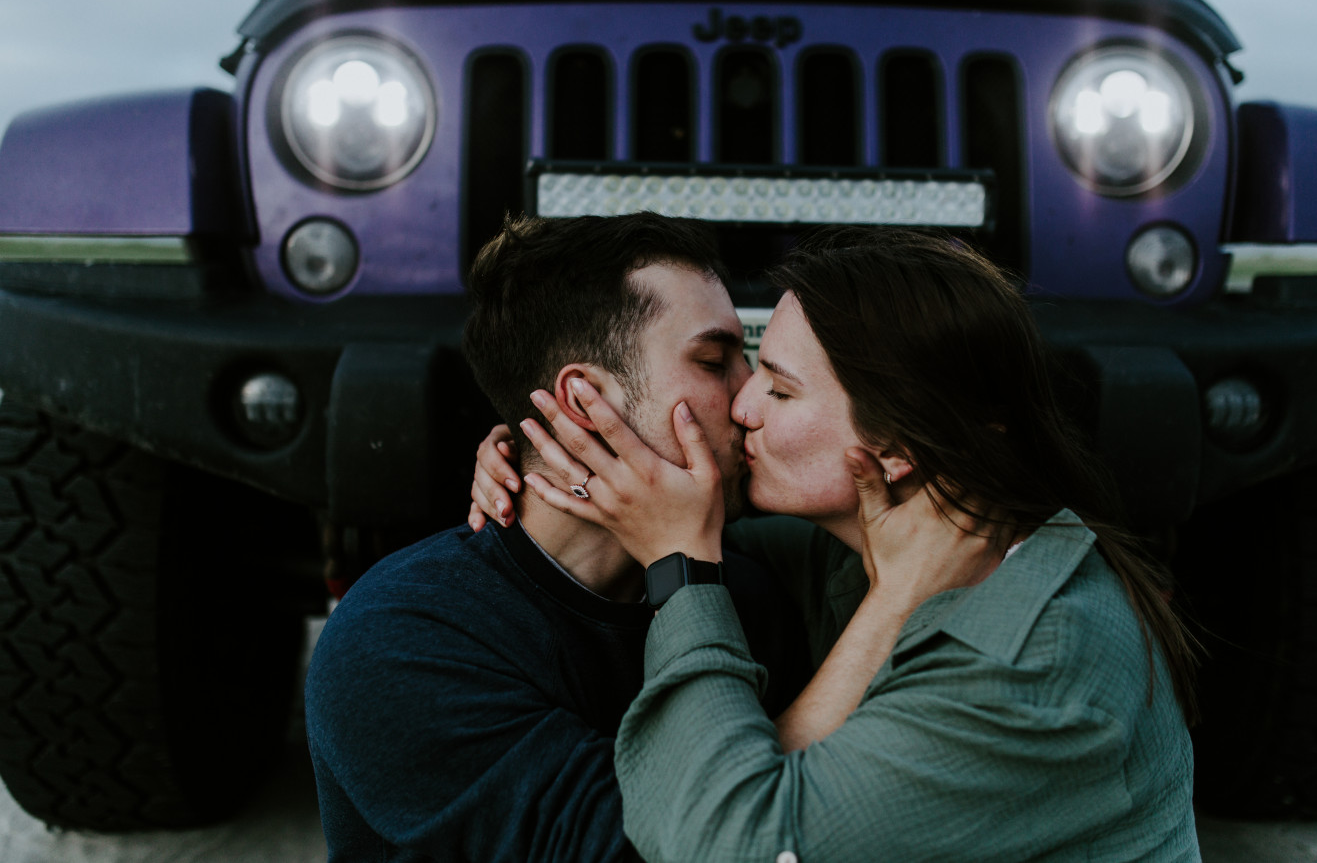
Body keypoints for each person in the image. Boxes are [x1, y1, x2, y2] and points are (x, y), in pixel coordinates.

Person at [473, 225, 1202, 862]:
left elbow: (734, 847)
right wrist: (537, 453)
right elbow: (657, 510)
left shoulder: (1036, 662)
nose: (744, 405)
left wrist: (681, 570)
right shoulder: (884, 549)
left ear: (898, 449)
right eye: (741, 366)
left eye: (780, 390)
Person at [303, 213, 810, 863]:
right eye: (715, 361)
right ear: (582, 403)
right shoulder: (402, 638)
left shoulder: (749, 594)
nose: (749, 402)